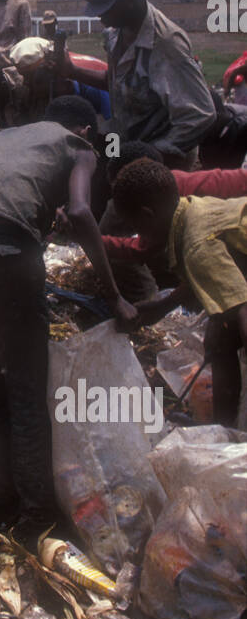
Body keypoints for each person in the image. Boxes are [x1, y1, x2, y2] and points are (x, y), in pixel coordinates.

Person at [0, 95, 136, 523]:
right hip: (6, 252)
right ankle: (36, 512)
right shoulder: (80, 148)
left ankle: (0, 496)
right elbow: (83, 212)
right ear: (84, 130)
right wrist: (114, 294)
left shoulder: (2, 137)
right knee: (28, 385)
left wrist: (33, 221)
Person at [111, 157, 247, 427]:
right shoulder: (193, 212)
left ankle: (228, 434)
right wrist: (163, 306)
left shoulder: (197, 245)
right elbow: (218, 278)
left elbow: (242, 312)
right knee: (218, 338)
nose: (139, 235)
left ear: (147, 216)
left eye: (135, 227)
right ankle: (221, 429)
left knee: (227, 334)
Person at [71, 0, 216, 165]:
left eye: (106, 9)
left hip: (162, 165)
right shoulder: (114, 34)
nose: (99, 17)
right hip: (123, 144)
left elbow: (201, 115)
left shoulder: (166, 44)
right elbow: (116, 84)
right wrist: (71, 71)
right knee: (97, 174)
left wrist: (152, 156)